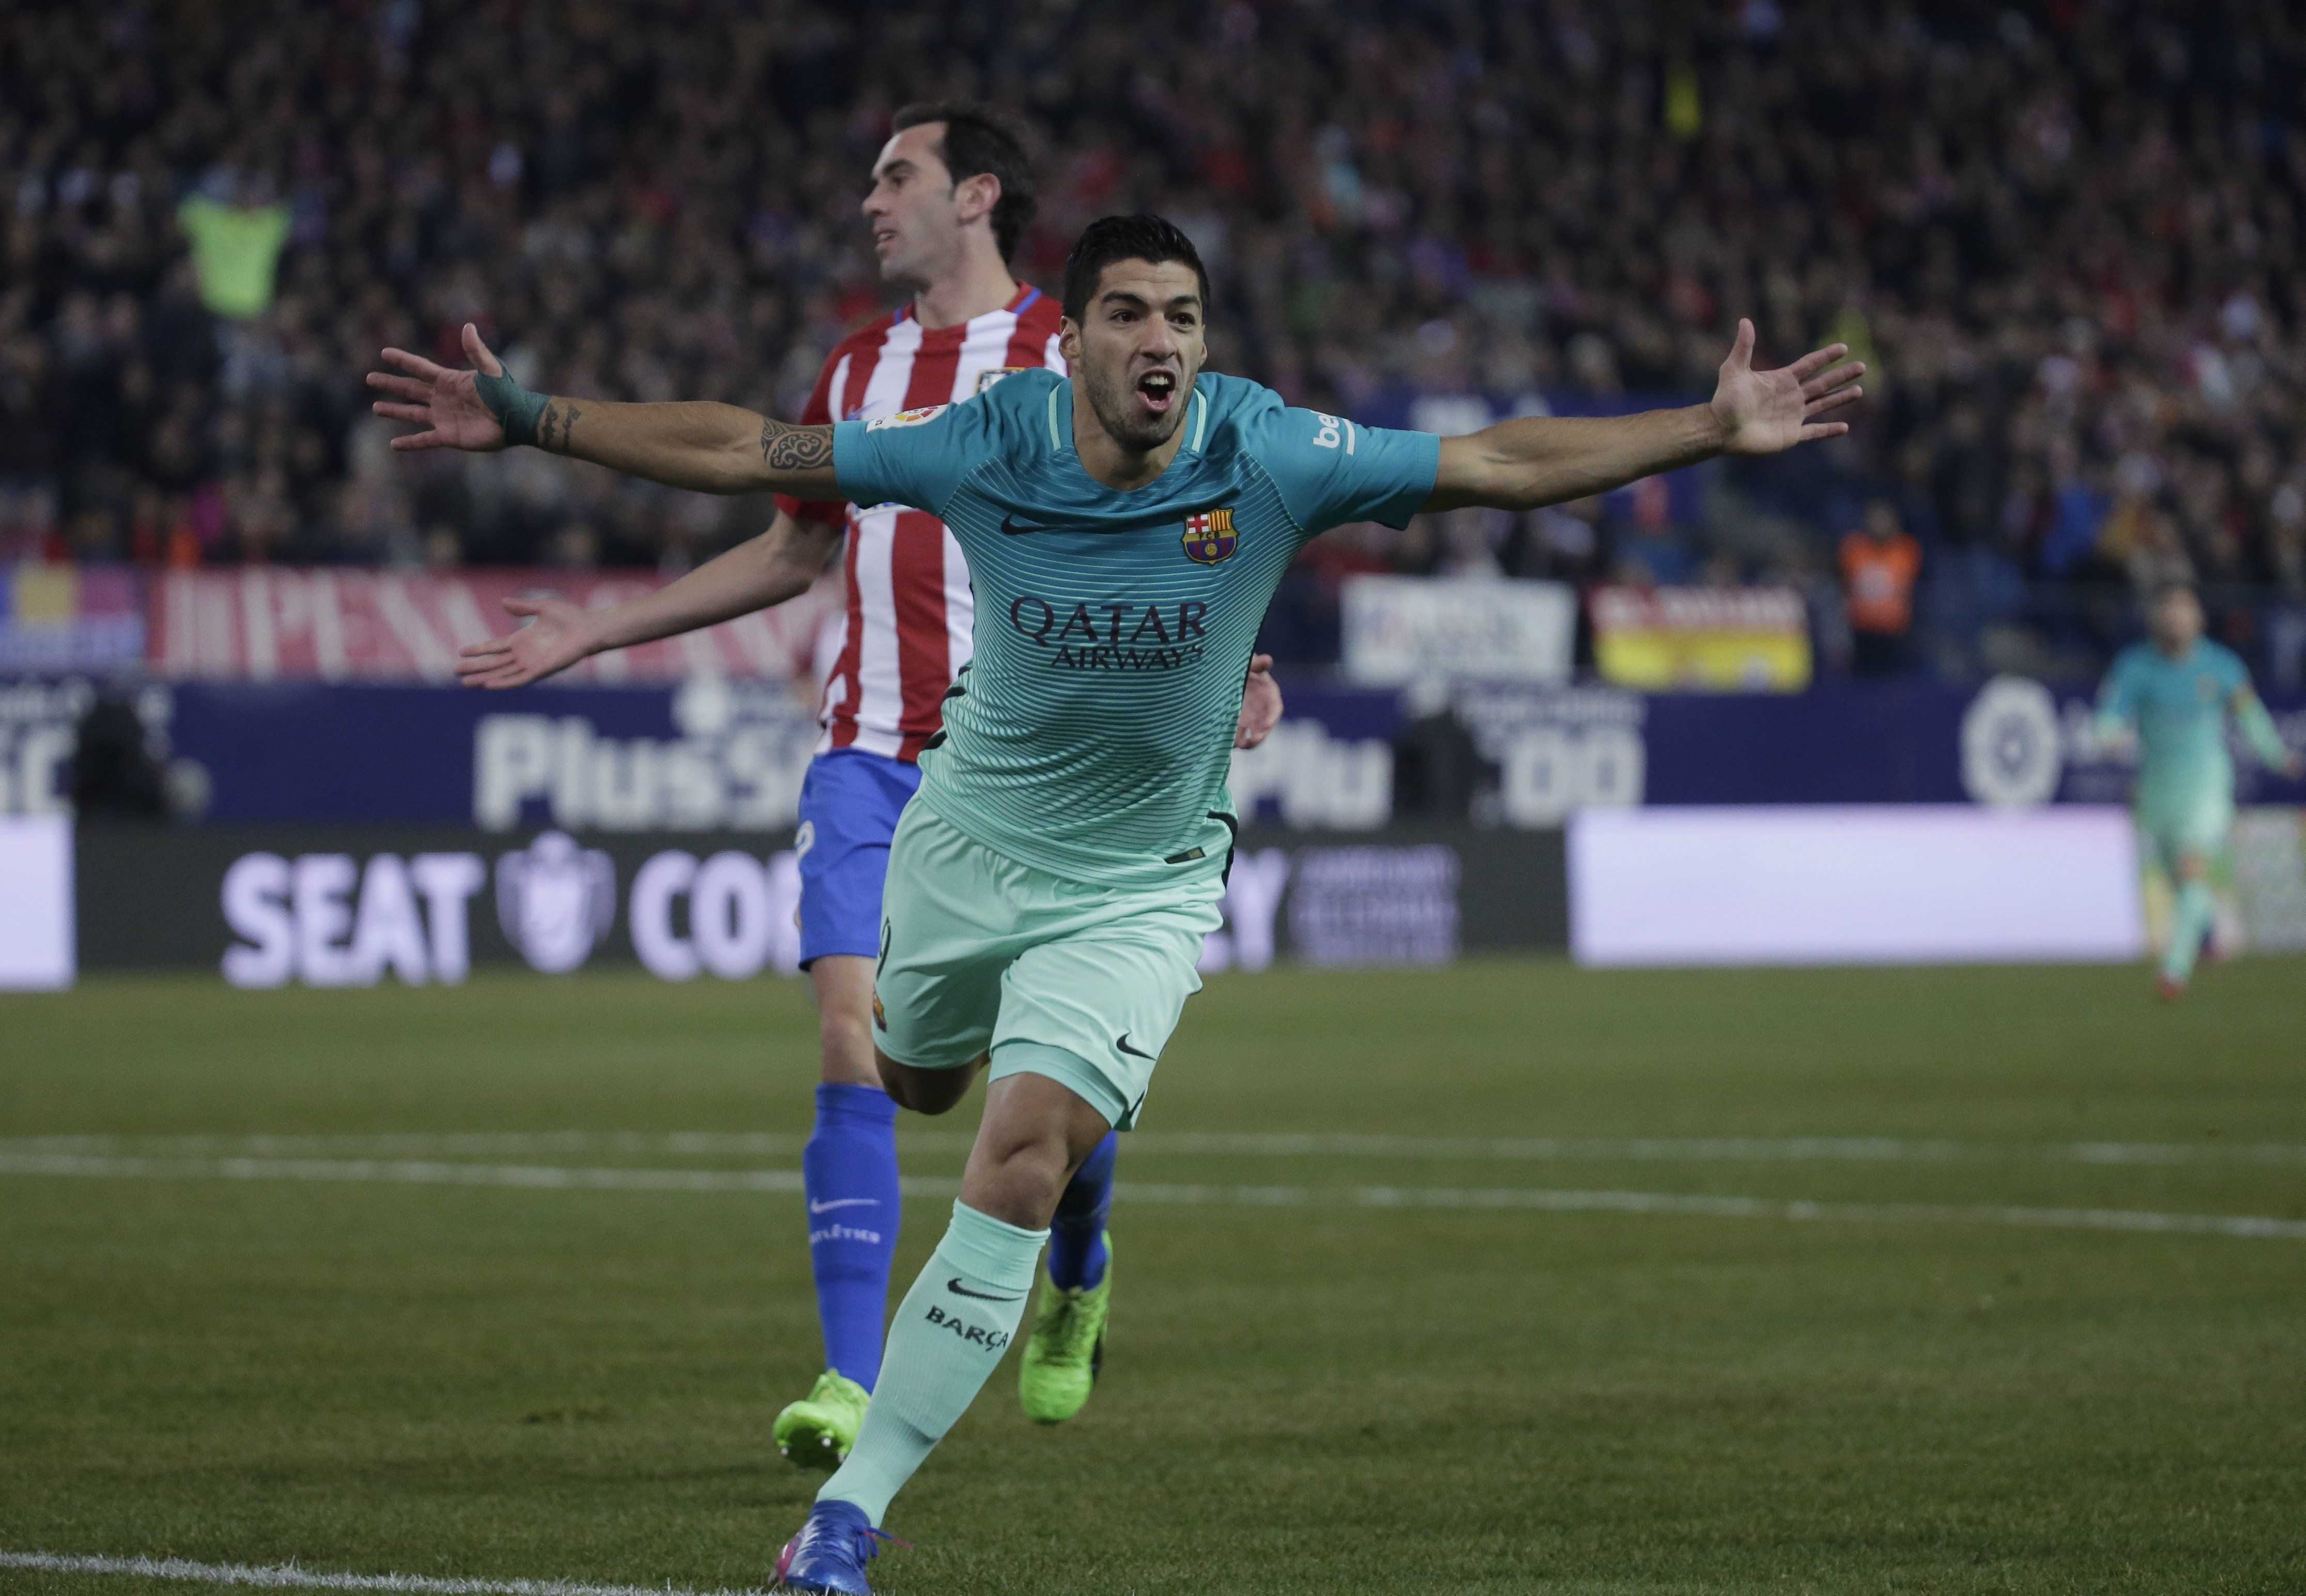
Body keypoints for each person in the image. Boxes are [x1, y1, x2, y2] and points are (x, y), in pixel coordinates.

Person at [368, 212, 1865, 1594]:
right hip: (963, 847)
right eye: (1132, 314)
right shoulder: (984, 441)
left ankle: (844, 1524)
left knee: (1010, 1156)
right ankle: (1091, 1206)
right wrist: (531, 419)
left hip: (1139, 888)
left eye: (1186, 317)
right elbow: (753, 450)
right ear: (1070, 340)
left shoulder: (1267, 450)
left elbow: (1494, 461)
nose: (1163, 342)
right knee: (914, 1079)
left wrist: (1702, 428)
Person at [444, 106, 1281, 1471]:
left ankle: (1079, 1256)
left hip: (1049, 789)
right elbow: (787, 557)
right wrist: (596, 629)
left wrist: (1238, 661)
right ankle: (847, 1380)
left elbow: (1209, 515)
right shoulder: (856, 366)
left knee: (1031, 1076)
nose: (866, 203)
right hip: (873, 756)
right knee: (855, 1046)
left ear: (977, 196)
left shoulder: (1083, 349)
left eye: (895, 176)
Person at [2094, 582, 2303, 999]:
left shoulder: (2221, 666)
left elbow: (2252, 716)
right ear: (2156, 619)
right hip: (2159, 793)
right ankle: (2207, 935)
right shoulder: (2136, 666)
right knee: (2181, 879)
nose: (2175, 618)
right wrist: (2109, 734)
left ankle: (2174, 969)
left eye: (2183, 610)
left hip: (2206, 790)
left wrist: (2278, 756)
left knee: (2192, 870)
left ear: (2199, 619)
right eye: (2167, 610)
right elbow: (2111, 713)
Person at [1839, 498, 1921, 676]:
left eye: (1884, 519)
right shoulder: (1853, 548)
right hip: (1860, 632)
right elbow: (1843, 585)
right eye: (1875, 518)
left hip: (1895, 634)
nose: (1879, 524)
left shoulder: (1908, 550)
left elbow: (1914, 589)